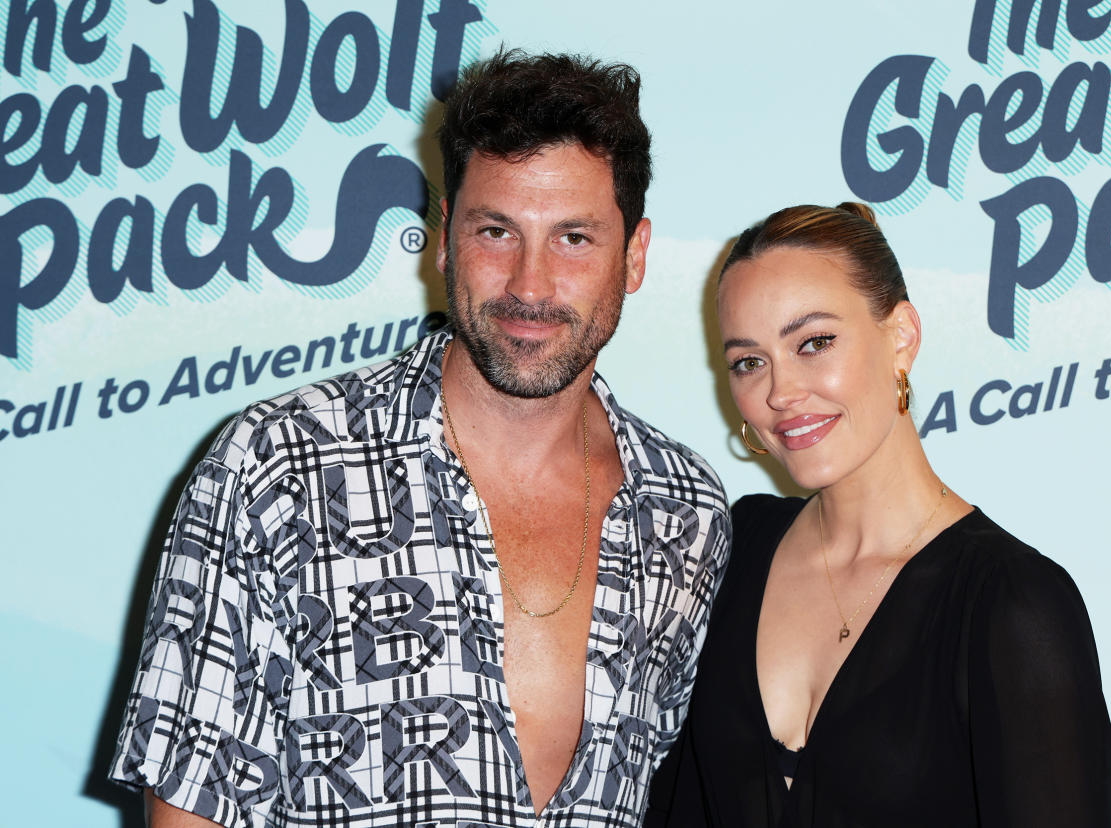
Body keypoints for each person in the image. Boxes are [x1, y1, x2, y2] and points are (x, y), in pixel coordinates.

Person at [109, 50, 731, 828]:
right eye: (496, 230)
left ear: (634, 255)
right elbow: (192, 808)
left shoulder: (688, 513)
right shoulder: (278, 467)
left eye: (574, 238)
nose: (530, 285)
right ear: (444, 238)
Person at [646, 203, 1111, 827]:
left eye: (814, 343)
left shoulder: (1011, 602)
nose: (781, 391)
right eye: (749, 360)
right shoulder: (730, 549)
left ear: (901, 337)